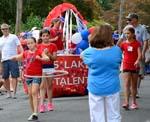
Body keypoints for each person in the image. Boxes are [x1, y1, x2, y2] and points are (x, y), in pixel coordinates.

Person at [81, 24, 122, 122]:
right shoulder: (117, 51)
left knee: (96, 116)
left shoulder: (88, 53)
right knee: (114, 115)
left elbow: (82, 56)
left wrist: (91, 44)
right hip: (112, 86)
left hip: (95, 86)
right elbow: (118, 64)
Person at [10, 37, 50, 121]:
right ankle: (33, 113)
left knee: (34, 92)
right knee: (30, 95)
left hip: (37, 75)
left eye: (31, 43)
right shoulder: (26, 52)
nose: (30, 45)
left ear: (35, 43)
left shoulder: (39, 52)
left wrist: (41, 58)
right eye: (28, 44)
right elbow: (19, 57)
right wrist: (14, 58)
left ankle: (35, 112)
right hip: (28, 76)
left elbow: (47, 58)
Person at [117, 13, 149, 98]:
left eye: (130, 19)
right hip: (128, 54)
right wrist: (115, 49)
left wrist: (143, 53)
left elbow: (145, 41)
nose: (128, 21)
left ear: (135, 19)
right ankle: (131, 88)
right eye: (128, 19)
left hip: (139, 53)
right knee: (128, 71)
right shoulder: (127, 28)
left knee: (138, 72)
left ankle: (136, 89)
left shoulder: (142, 28)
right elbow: (121, 39)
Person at [0, 23, 23, 98]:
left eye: (6, 28)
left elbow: (19, 46)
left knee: (14, 76)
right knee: (5, 77)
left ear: (8, 29)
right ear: (1, 30)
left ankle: (14, 93)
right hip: (4, 60)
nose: (5, 30)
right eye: (3, 29)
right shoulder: (0, 39)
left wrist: (23, 54)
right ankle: (8, 92)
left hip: (13, 58)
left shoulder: (13, 37)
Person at [120, 27, 141, 110]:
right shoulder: (123, 44)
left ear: (133, 34)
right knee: (126, 84)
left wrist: (137, 60)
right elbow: (119, 53)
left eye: (128, 33)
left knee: (134, 84)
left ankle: (134, 102)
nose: (126, 35)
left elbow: (139, 54)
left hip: (135, 65)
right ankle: (126, 102)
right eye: (125, 33)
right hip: (126, 65)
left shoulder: (137, 43)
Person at [37, 29, 57, 113]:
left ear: (49, 36)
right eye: (43, 36)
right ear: (41, 37)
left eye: (47, 35)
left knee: (49, 86)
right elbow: (36, 57)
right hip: (41, 67)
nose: (45, 37)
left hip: (50, 67)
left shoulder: (53, 45)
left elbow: (54, 58)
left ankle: (50, 103)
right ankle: (41, 104)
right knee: (42, 86)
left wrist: (48, 54)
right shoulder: (38, 46)